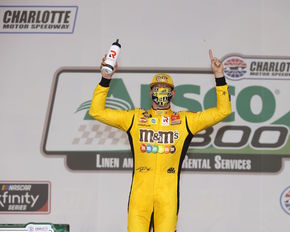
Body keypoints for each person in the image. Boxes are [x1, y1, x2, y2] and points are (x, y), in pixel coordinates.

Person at [89, 49, 232, 232]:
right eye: (157, 89)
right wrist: (105, 78)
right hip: (140, 197)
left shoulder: (185, 121)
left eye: (165, 90)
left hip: (167, 197)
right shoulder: (134, 118)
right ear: (149, 93)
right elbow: (96, 111)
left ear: (173, 94)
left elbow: (223, 111)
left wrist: (219, 76)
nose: (161, 93)